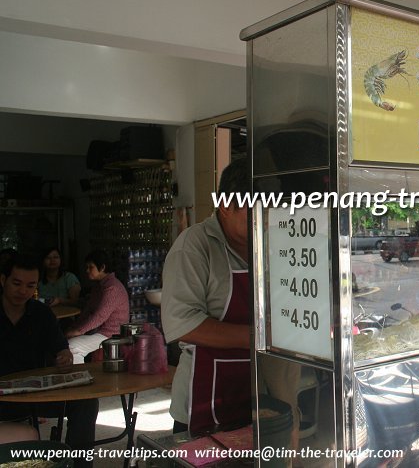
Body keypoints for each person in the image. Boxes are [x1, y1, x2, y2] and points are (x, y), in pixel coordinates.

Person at [162, 159, 301, 445]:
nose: (266, 219)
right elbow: (182, 324)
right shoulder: (195, 246)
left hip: (268, 397)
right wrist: (262, 336)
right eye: (256, 211)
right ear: (225, 205)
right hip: (207, 398)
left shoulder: (274, 244)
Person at [0, 253, 98, 465]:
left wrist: (64, 357)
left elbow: (61, 349)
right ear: (2, 280)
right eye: (16, 283)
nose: (22, 291)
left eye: (30, 286)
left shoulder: (41, 313)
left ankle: (76, 463)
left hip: (33, 396)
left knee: (85, 402)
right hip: (2, 399)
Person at [64, 250, 129, 364]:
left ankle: (80, 378)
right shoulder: (98, 286)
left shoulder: (112, 288)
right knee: (66, 341)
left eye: (91, 267)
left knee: (72, 347)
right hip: (98, 331)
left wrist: (79, 330)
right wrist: (75, 327)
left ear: (102, 267)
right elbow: (88, 309)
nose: (87, 270)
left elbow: (100, 316)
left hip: (111, 332)